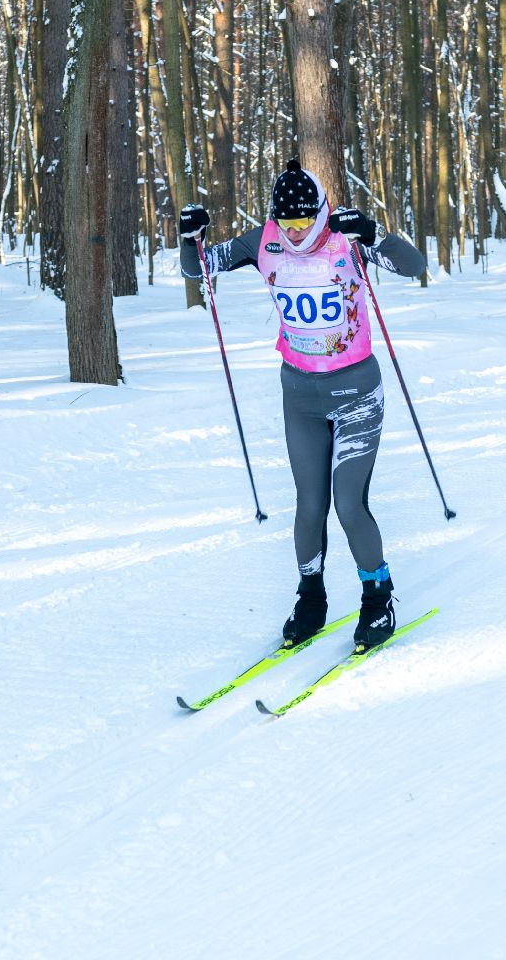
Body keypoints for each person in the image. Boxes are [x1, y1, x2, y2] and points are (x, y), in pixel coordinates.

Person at [180, 159, 427, 650]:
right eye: (286, 223)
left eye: (302, 222)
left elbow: (415, 266)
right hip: (300, 395)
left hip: (356, 392)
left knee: (348, 503)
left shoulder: (344, 239)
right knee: (309, 505)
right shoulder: (263, 241)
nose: (293, 233)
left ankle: (378, 597)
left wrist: (375, 235)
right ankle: (311, 597)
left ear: (319, 211)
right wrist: (192, 238)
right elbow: (200, 268)